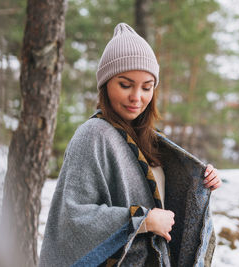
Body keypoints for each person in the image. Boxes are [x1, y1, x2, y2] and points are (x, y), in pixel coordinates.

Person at [39, 22, 221, 267]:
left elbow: (169, 199)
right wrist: (142, 220)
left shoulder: (148, 138)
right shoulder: (92, 135)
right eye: (125, 85)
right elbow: (71, 218)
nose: (137, 97)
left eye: (147, 87)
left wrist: (201, 179)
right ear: (106, 85)